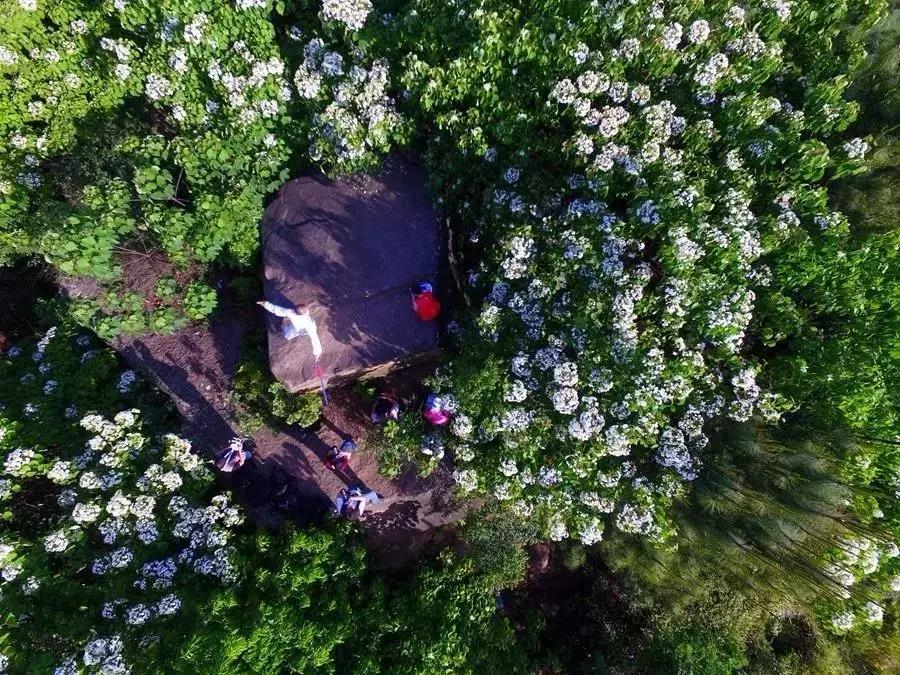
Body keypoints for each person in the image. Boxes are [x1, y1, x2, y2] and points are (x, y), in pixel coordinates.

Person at [257, 300, 323, 358]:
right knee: (288, 334)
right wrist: (317, 353)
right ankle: (283, 333)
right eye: (306, 309)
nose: (307, 309)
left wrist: (265, 303)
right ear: (305, 312)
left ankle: (284, 332)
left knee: (290, 333)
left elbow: (276, 309)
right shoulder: (309, 324)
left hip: (300, 329)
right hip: (298, 328)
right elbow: (315, 338)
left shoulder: (290, 312)